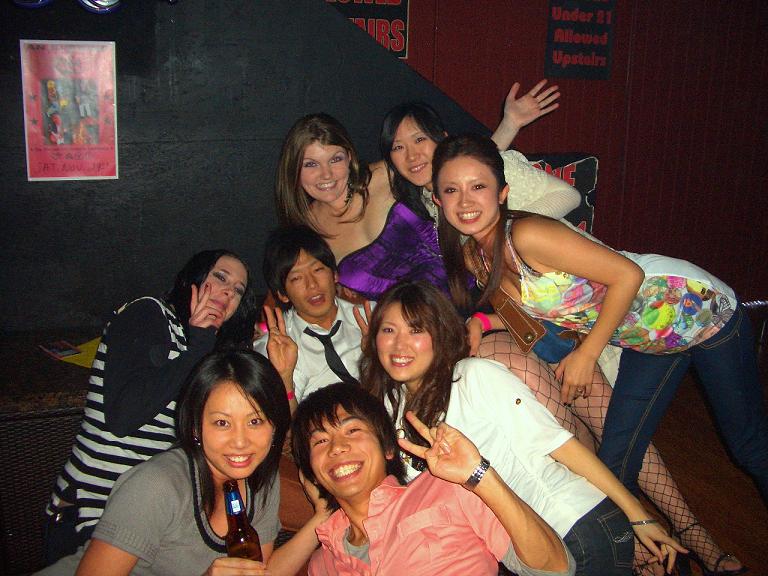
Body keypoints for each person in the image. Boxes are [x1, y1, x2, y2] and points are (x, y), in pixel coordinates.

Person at [433, 133, 767, 574]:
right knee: (618, 458)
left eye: (478, 186)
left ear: (503, 192)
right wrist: (483, 321)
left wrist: (588, 354)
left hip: (701, 311)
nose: (465, 201)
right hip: (647, 341)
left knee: (748, 444)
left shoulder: (528, 234)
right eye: (451, 189)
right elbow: (540, 314)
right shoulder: (475, 256)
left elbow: (627, 275)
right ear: (437, 199)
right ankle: (659, 555)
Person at [360, 280, 686, 575]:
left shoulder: (473, 376)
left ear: (440, 334)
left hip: (573, 528)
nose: (399, 344)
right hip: (524, 553)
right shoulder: (393, 411)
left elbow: (561, 446)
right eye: (388, 330)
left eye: (416, 330)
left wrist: (636, 513)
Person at [44, 250, 259, 563]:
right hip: (94, 512)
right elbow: (123, 416)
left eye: (238, 290)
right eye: (220, 277)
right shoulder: (148, 313)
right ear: (194, 278)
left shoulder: (208, 351)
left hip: (154, 517)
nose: (228, 292)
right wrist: (197, 347)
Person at [37, 349, 326, 576]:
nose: (241, 442)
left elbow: (259, 571)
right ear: (195, 427)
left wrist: (322, 517)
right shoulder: (156, 486)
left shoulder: (260, 476)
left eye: (254, 421)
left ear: (275, 425)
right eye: (222, 423)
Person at [274, 80, 559, 301]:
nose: (326, 175)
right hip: (406, 333)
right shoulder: (304, 232)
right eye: (310, 164)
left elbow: (461, 170)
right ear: (293, 170)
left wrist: (510, 125)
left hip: (479, 293)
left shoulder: (384, 175)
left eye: (335, 159)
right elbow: (297, 290)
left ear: (349, 157)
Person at [291, 381, 575, 576]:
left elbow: (555, 567)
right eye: (320, 441)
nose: (337, 447)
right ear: (312, 473)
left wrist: (480, 475)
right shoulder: (323, 564)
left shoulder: (447, 488)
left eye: (352, 431)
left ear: (388, 448)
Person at [254, 225, 370, 411]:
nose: (312, 285)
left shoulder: (373, 318)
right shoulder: (274, 348)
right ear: (282, 294)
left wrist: (377, 361)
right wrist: (284, 379)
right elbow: (279, 423)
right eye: (296, 278)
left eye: (317, 270)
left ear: (334, 274)